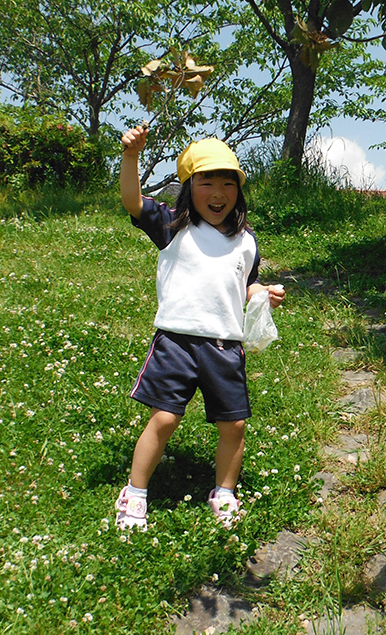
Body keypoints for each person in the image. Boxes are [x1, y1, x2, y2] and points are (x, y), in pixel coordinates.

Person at [114, 126, 285, 531]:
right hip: (175, 340)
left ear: (238, 193)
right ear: (189, 188)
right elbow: (131, 201)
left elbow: (246, 283)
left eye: (228, 183)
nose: (218, 192)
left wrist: (263, 293)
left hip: (225, 346)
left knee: (235, 424)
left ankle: (224, 492)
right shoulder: (172, 225)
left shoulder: (246, 240)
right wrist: (131, 157)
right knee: (165, 418)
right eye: (206, 181)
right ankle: (135, 493)